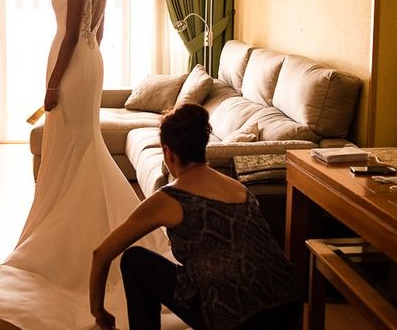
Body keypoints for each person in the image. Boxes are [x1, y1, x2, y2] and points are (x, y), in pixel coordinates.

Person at [0, 0, 167, 330]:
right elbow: (98, 28)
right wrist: (82, 58)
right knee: (83, 146)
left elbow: (74, 34)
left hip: (74, 66)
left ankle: (74, 234)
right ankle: (107, 225)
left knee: (77, 146)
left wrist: (54, 83)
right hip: (89, 63)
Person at [90, 103, 301, 330]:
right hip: (289, 307)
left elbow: (101, 254)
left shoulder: (170, 197)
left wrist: (99, 312)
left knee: (134, 260)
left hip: (235, 319)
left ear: (168, 152)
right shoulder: (239, 188)